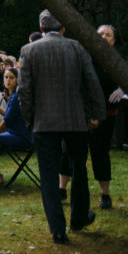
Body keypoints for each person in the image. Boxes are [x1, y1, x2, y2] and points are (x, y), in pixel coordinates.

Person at [19, 9, 105, 245]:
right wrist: (98, 113)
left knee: (48, 176)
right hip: (76, 120)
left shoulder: (28, 50)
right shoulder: (77, 48)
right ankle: (78, 218)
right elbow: (92, 82)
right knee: (79, 169)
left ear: (42, 29)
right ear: (64, 28)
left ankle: (58, 229)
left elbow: (24, 91)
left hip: (44, 123)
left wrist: (30, 118)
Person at [58, 24, 123, 210]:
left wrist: (122, 87)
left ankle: (105, 194)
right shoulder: (84, 55)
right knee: (68, 150)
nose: (104, 37)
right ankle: (62, 188)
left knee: (100, 151)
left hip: (106, 114)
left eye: (108, 35)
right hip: (81, 112)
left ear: (114, 40)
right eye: (100, 34)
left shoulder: (117, 60)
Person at [0, 67, 32, 187]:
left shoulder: (15, 97)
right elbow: (10, 115)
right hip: (20, 133)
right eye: (6, 77)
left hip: (19, 136)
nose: (8, 80)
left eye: (11, 78)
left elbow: (6, 122)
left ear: (18, 80)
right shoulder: (15, 95)